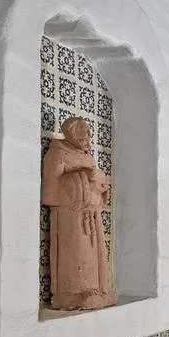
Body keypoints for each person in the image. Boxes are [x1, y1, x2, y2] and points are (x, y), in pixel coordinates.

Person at [41, 117, 116, 310]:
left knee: (94, 252)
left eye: (89, 131)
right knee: (76, 249)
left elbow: (99, 187)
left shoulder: (88, 158)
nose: (89, 135)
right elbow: (49, 193)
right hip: (69, 217)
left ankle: (98, 288)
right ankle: (72, 293)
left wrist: (98, 184)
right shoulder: (57, 154)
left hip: (91, 214)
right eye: (83, 131)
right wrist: (82, 178)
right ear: (72, 133)